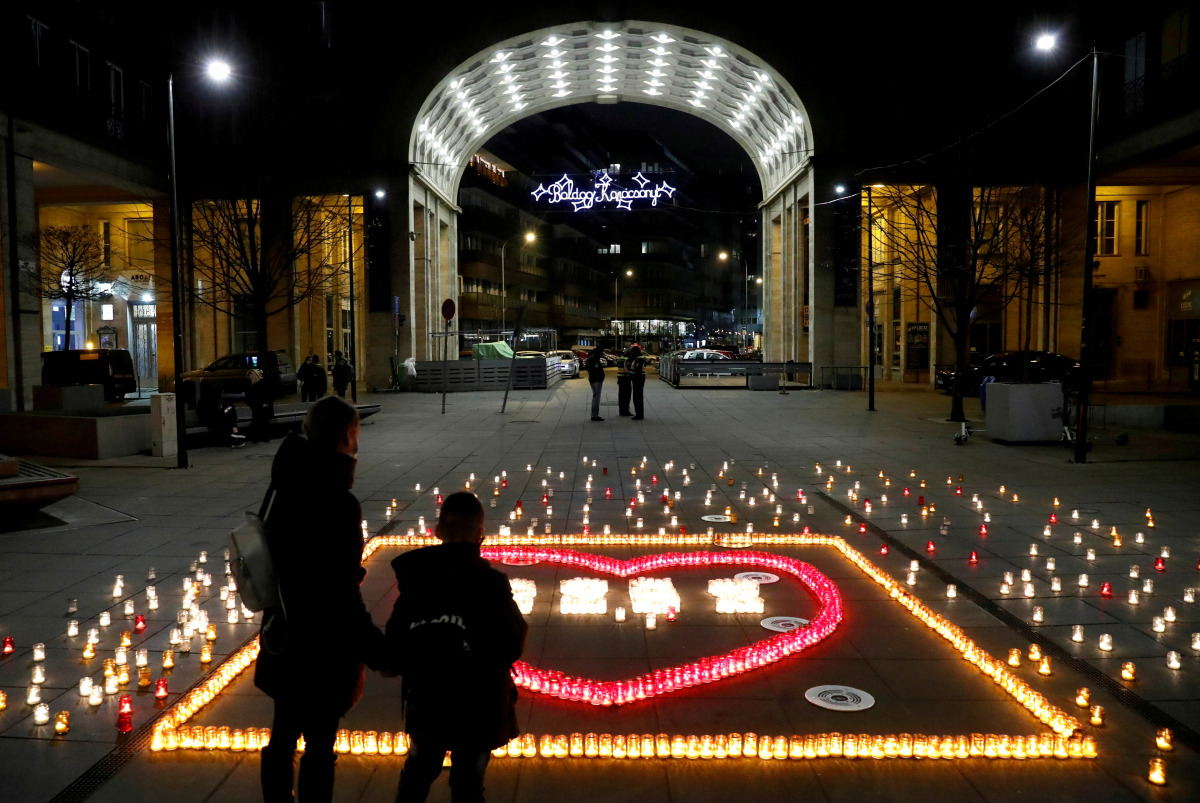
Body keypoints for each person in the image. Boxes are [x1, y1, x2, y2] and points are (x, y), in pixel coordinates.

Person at [255, 397, 385, 802]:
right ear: (347, 436)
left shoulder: (284, 485)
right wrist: (376, 649)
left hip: (286, 631)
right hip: (323, 646)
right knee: (319, 744)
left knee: (283, 733)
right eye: (355, 436)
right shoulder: (338, 504)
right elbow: (340, 592)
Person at [385, 492, 527, 803]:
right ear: (481, 536)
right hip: (480, 707)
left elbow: (394, 645)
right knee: (468, 784)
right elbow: (514, 641)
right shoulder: (491, 583)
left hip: (427, 705)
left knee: (417, 777)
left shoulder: (415, 582)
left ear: (437, 532)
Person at [196, 381, 245, 447]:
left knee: (229, 412)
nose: (222, 394)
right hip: (210, 419)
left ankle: (235, 433)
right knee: (228, 417)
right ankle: (235, 434)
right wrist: (224, 411)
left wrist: (225, 410)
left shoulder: (216, 399)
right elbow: (212, 414)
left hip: (217, 417)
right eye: (222, 392)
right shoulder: (208, 400)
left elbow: (223, 409)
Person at [627, 343, 647, 420]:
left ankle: (639, 414)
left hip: (638, 380)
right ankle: (638, 413)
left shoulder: (639, 359)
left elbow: (637, 371)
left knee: (637, 397)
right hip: (637, 380)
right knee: (637, 397)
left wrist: (633, 377)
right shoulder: (637, 359)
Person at [585, 349, 605, 421]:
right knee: (596, 397)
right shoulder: (593, 359)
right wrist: (601, 376)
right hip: (596, 379)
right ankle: (595, 415)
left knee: (595, 396)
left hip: (593, 378)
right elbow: (596, 369)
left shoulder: (590, 358)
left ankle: (594, 414)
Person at [615, 348, 632, 416]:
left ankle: (621, 410)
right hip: (626, 378)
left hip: (620, 378)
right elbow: (629, 369)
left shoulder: (620, 359)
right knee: (627, 396)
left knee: (621, 395)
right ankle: (626, 411)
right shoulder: (627, 360)